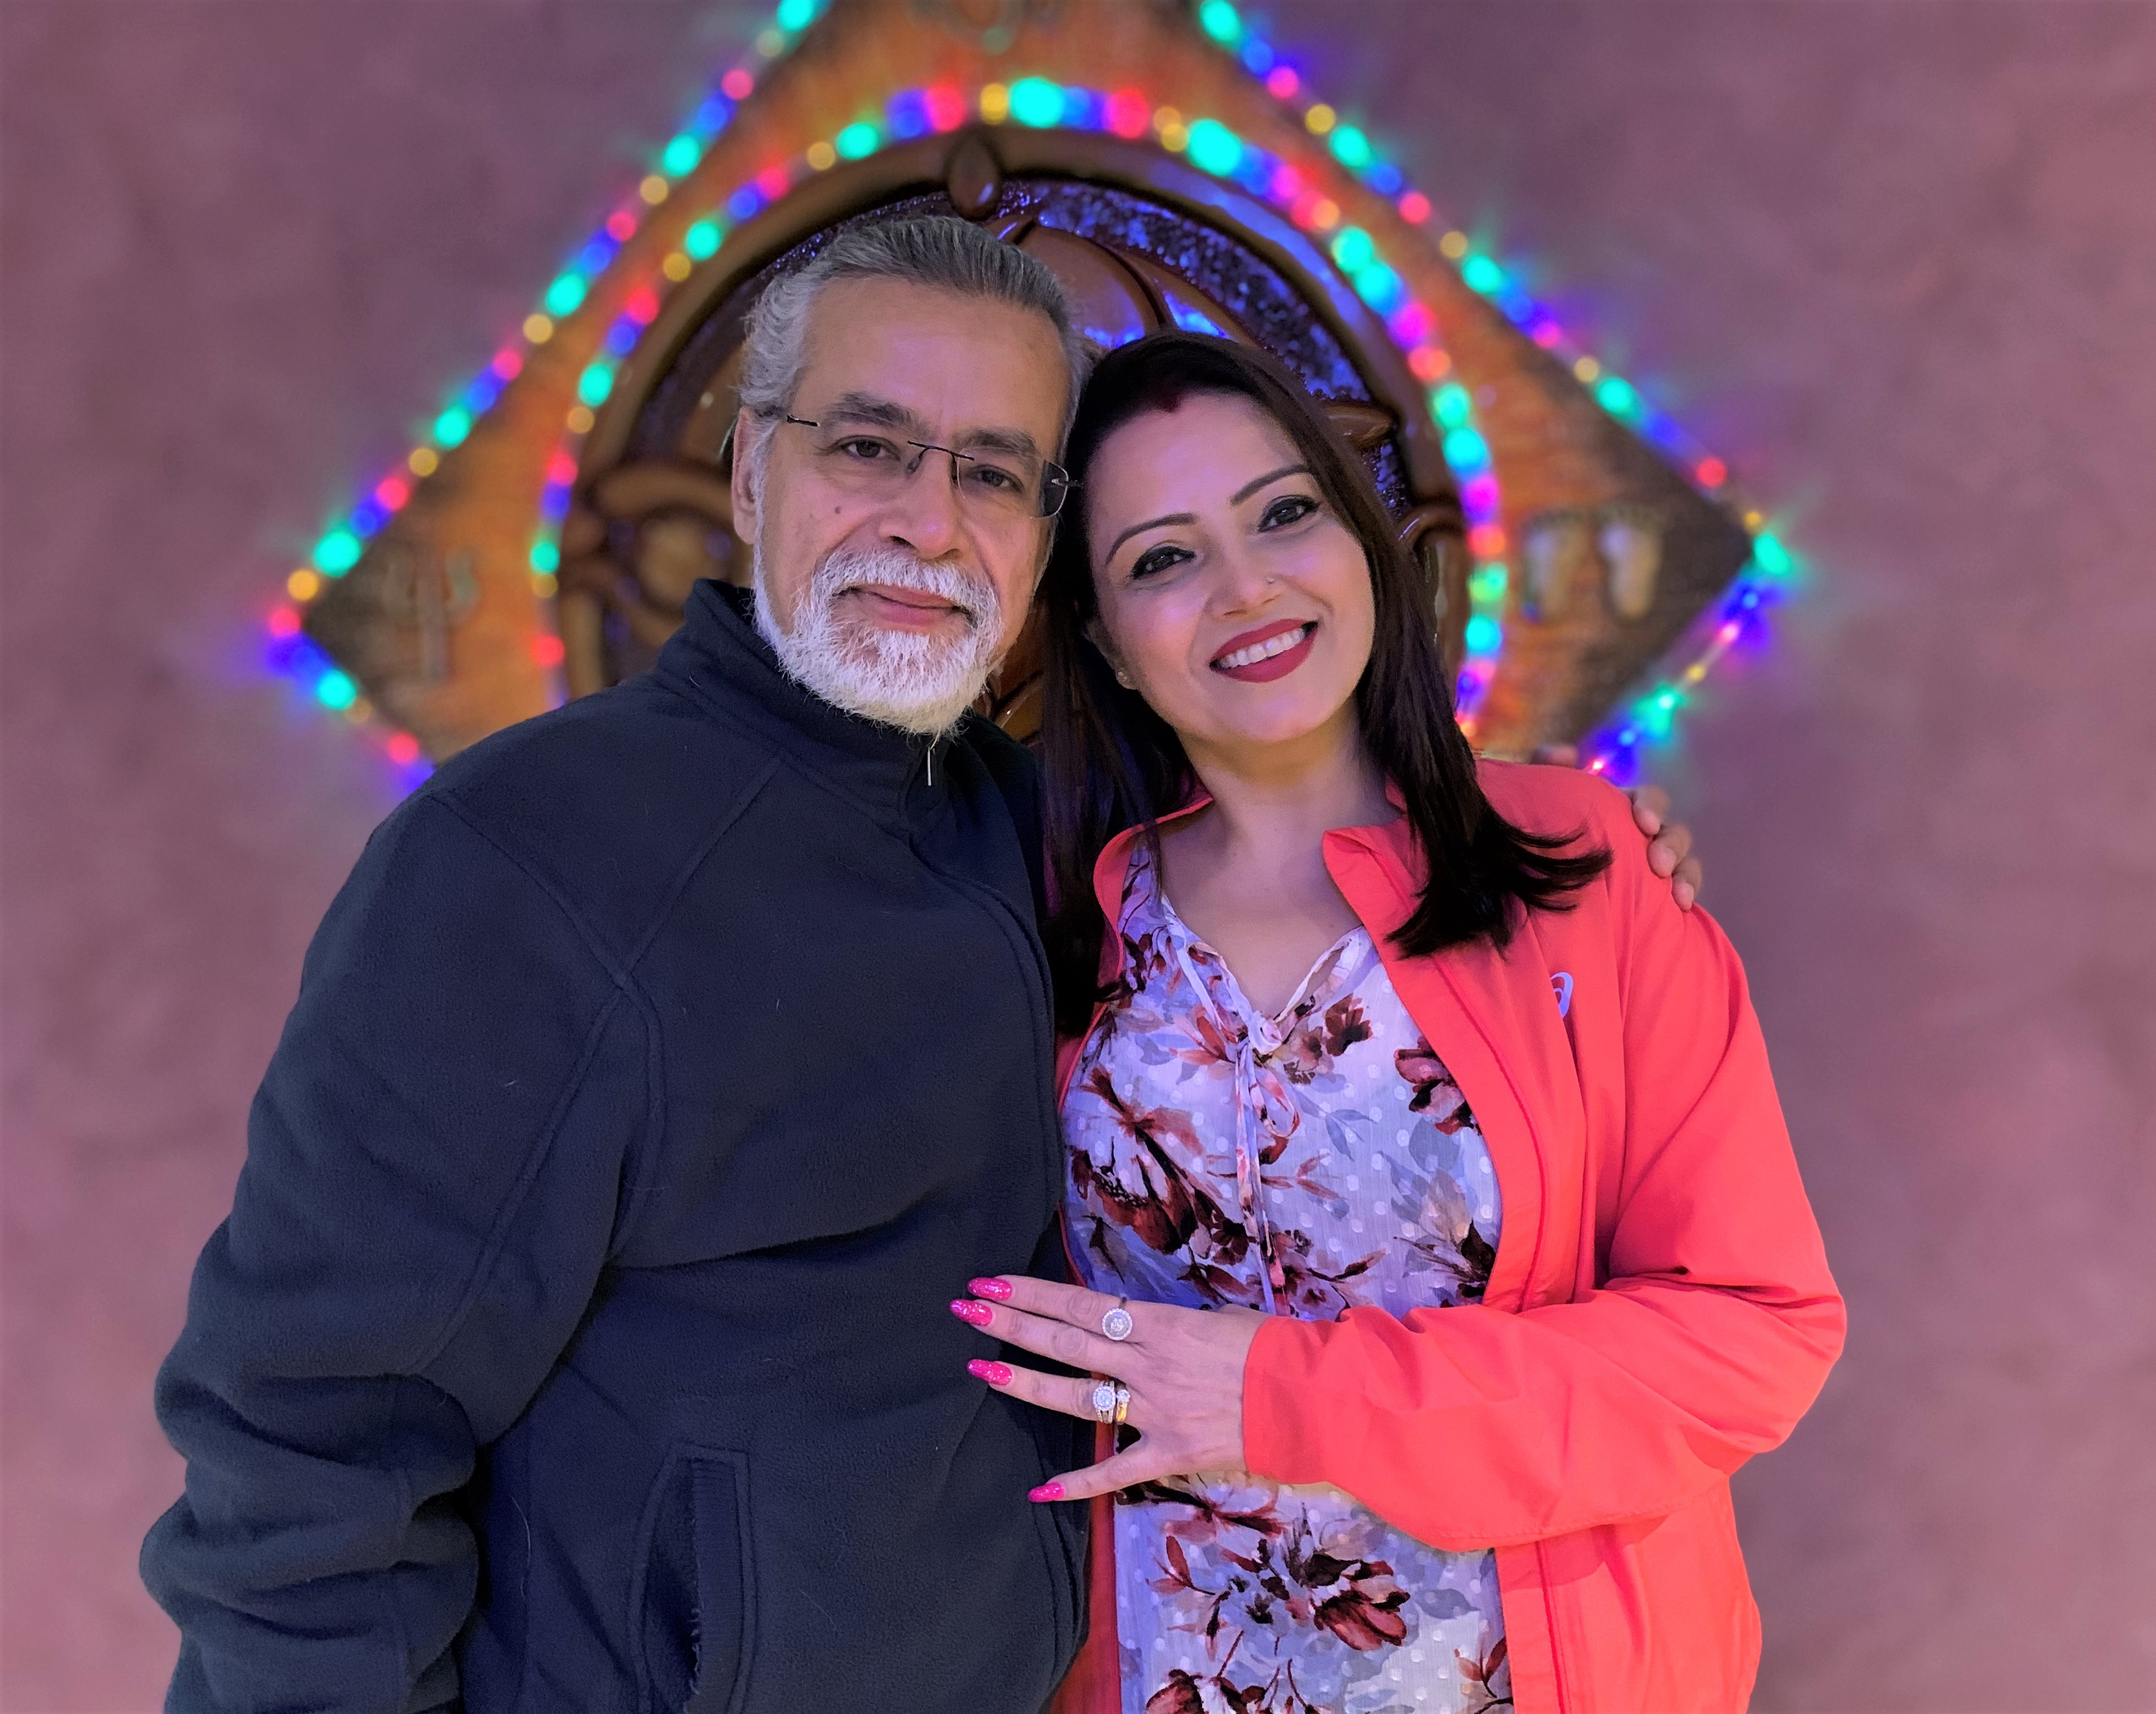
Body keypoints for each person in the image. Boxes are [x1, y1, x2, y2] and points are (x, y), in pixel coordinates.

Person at [144, 218, 1701, 1713]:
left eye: (996, 475)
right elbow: (308, 1442)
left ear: (1044, 550)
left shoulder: (1058, 844)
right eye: (869, 447)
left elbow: (1295, 799)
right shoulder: (522, 863)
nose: (928, 519)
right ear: (754, 468)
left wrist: (1554, 839)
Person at [952, 332, 1845, 1714]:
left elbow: (1748, 1338)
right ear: (1104, 644)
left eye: (1283, 512)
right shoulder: (1039, 929)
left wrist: (1286, 1397)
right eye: (1161, 558)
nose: (1247, 587)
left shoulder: (1587, 873)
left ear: (1363, 539)